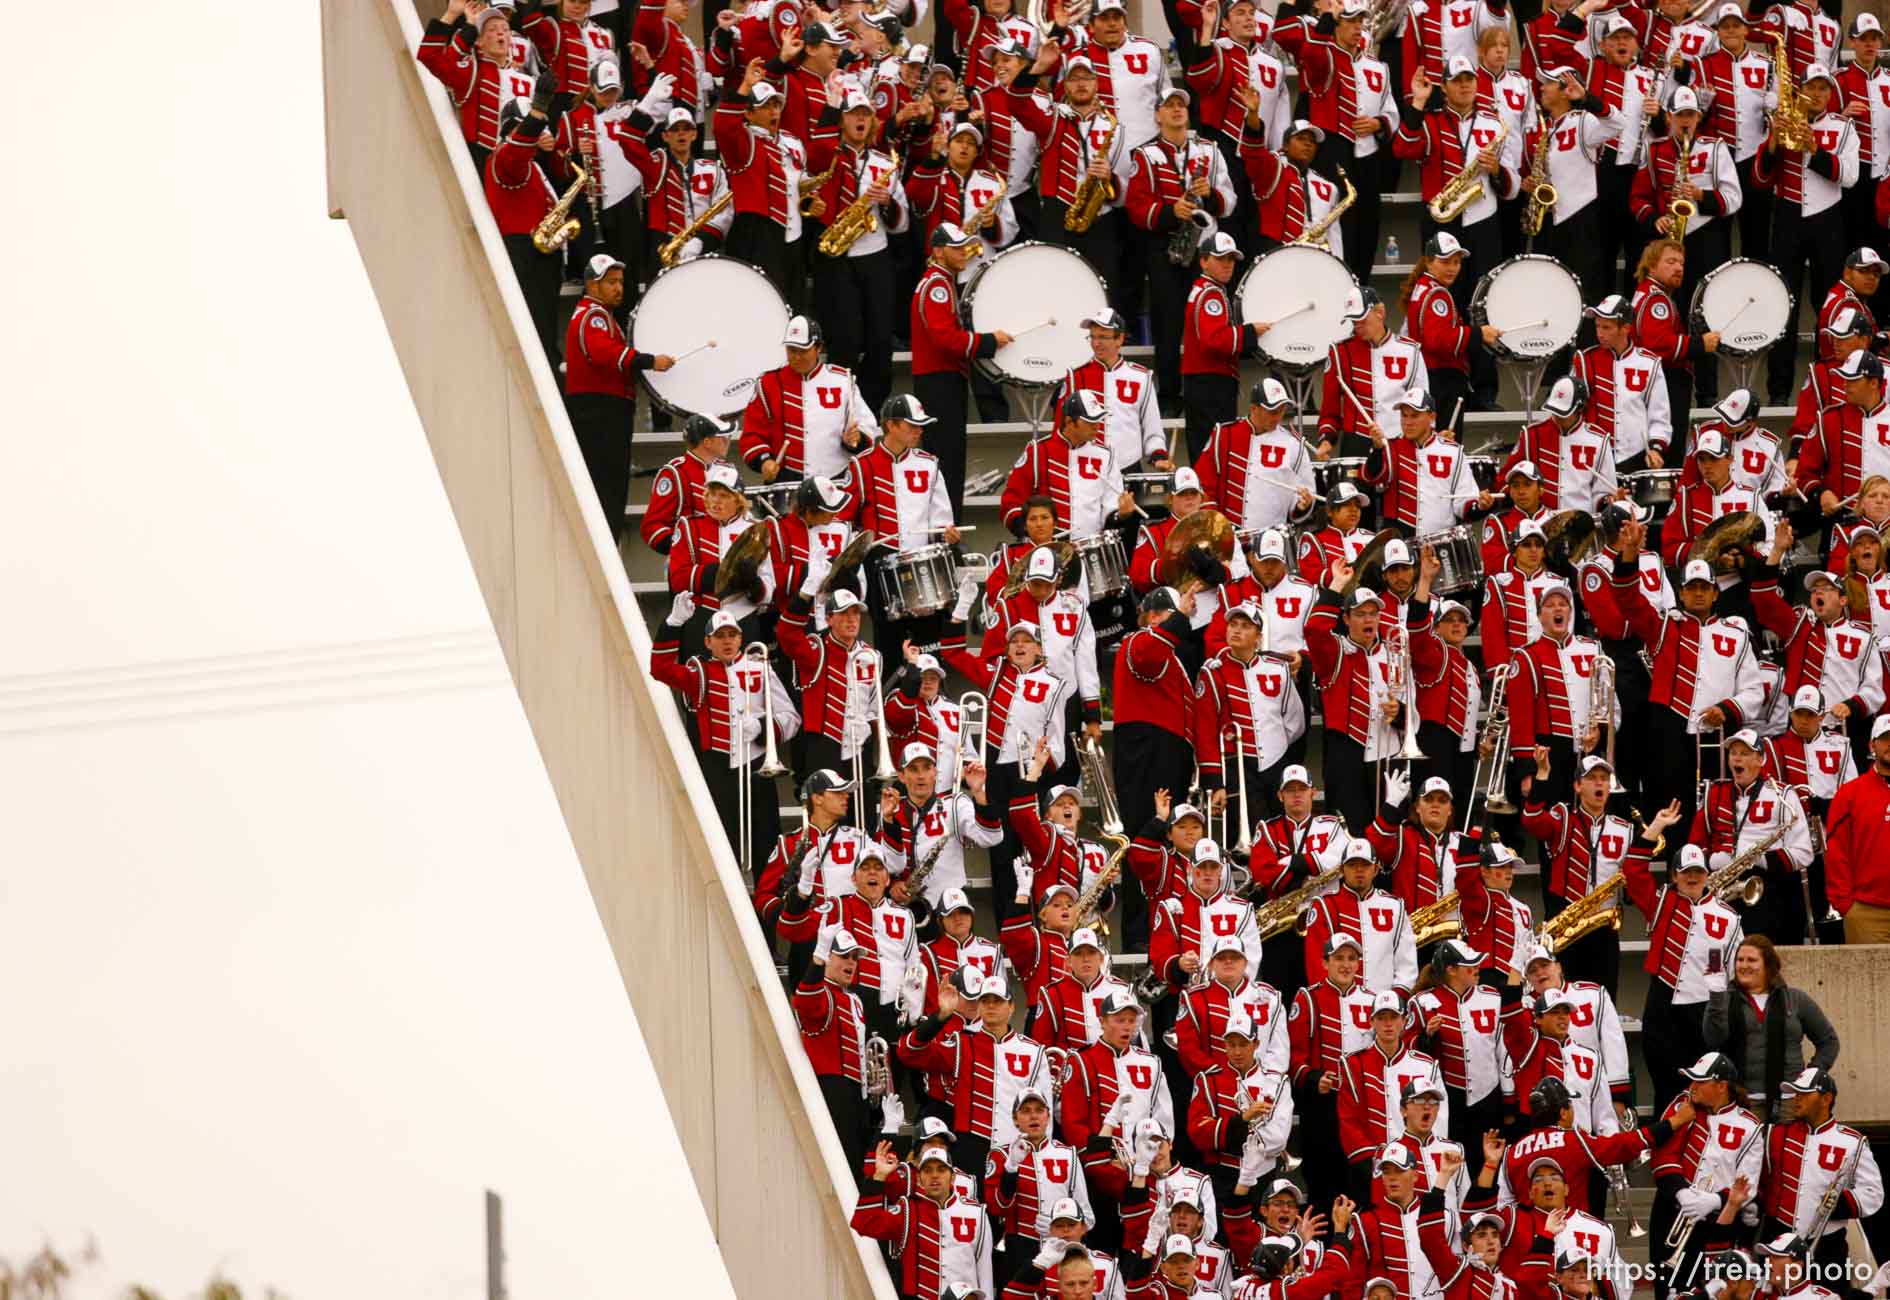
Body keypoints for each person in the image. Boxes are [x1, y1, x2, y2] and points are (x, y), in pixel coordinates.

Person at [652, 596, 800, 872]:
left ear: (741, 638)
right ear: (708, 642)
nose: (727, 641)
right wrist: (673, 624)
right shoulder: (700, 673)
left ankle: (764, 910)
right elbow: (659, 669)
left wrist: (763, 727)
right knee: (722, 847)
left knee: (766, 845)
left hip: (757, 766)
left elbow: (791, 718)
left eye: (732, 634)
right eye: (720, 636)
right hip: (718, 769)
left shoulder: (761, 667)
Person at [1756, 62, 1856, 404]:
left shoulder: (1842, 128)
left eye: (1823, 88)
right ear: (1800, 91)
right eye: (1811, 87)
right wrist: (1773, 142)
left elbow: (1849, 176)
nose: (1817, 94)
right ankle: (1779, 391)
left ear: (1831, 93)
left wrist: (1814, 148)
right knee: (1784, 304)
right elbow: (1760, 178)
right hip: (1787, 215)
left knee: (1827, 306)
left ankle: (1826, 388)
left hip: (1827, 218)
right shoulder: (1782, 120)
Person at [563, 253, 674, 535]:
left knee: (608, 488)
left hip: (603, 411)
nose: (618, 288)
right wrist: (650, 361)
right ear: (591, 285)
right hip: (599, 413)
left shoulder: (599, 315)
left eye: (620, 282)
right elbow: (604, 353)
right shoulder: (594, 316)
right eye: (610, 282)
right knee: (607, 489)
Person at [910, 223, 1014, 511]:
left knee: (946, 460)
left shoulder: (940, 282)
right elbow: (944, 338)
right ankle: (947, 530)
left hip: (940, 380)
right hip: (939, 381)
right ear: (939, 251)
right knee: (946, 461)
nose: (964, 252)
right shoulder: (937, 286)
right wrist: (990, 342)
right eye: (956, 247)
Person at [1648, 1052, 1764, 1298]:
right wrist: (1682, 1193)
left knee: (1712, 1289)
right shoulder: (1682, 1106)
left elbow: (1748, 1182)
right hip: (1672, 1211)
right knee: (1667, 1288)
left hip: (1718, 1219)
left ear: (1722, 1086)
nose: (1692, 1087)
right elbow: (1663, 1155)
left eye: (1700, 1081)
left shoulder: (1749, 1125)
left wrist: (1713, 1200)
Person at [1687, 729, 1818, 944]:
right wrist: (1710, 860)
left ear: (1761, 759)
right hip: (1720, 887)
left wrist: (1761, 858)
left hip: (1766, 886)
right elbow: (1695, 843)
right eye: (1733, 753)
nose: (1737, 758)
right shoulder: (1714, 792)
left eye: (1745, 753)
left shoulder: (1782, 794)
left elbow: (1804, 853)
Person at [1759, 1067, 1886, 1277]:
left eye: (1804, 1094)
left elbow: (1873, 1193)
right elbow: (1761, 1184)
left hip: (1827, 1244)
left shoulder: (1852, 1141)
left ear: (1826, 1099)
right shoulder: (1776, 1134)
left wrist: (1840, 1203)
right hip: (1777, 1239)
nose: (1796, 1099)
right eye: (1795, 1093)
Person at [1702, 936, 1841, 1119]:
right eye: (1739, 960)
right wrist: (1716, 997)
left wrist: (1811, 1075)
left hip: (1789, 1103)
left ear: (1768, 965)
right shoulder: (1724, 1000)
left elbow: (1828, 1041)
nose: (1744, 966)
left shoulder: (1796, 999)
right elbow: (1713, 1040)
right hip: (1741, 1101)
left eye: (1751, 960)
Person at [1287, 932, 1379, 1210]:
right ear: (1325, 962)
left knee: (1361, 1180)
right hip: (1323, 1106)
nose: (1346, 964)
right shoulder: (1308, 998)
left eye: (1352, 958)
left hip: (1363, 1106)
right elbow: (1294, 1056)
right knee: (1322, 1182)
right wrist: (1314, 1078)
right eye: (1339, 958)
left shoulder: (1372, 1000)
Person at [739, 314, 881, 487]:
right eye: (791, 350)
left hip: (836, 481)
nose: (796, 357)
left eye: (803, 350)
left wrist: (854, 440)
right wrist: (764, 462)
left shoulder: (843, 380)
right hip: (786, 482)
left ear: (818, 347)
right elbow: (752, 434)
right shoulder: (768, 384)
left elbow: (867, 428)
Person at [1526, 67, 1624, 308]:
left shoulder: (1583, 121)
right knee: (1550, 290)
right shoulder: (1546, 127)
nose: (1541, 88)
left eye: (1548, 84)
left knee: (1584, 290)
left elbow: (1617, 124)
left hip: (1580, 218)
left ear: (1564, 92)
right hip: (1550, 219)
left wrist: (1585, 98)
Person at [1339, 990, 1450, 1198]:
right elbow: (1349, 1120)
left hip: (1419, 1164)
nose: (1388, 1024)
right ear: (1372, 1022)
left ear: (1405, 1021)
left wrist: (1429, 1154)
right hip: (1376, 1168)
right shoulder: (1354, 1064)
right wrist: (1376, 1160)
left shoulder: (1425, 1065)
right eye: (1381, 1018)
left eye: (1394, 1017)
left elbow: (1440, 1116)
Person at [854, 1138, 998, 1295]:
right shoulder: (907, 1210)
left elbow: (985, 1273)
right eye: (927, 1170)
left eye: (941, 1169)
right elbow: (865, 1223)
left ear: (953, 1177)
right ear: (920, 1179)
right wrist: (880, 1175)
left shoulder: (976, 1213)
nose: (934, 1176)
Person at [795, 924, 876, 1184]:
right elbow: (806, 1004)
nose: (851, 962)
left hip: (856, 1091)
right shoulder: (822, 993)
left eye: (854, 957)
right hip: (832, 1086)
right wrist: (817, 959)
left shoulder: (853, 999)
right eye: (844, 956)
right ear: (827, 957)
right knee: (841, 1164)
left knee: (856, 1163)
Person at [419, 0, 542, 167]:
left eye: (505, 30)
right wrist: (452, 15)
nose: (500, 34)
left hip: (518, 163)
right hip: (482, 159)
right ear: (479, 41)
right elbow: (430, 56)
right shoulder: (472, 72)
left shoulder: (527, 81)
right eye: (492, 30)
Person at [1052, 308, 1170, 477]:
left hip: (1129, 468)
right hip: (1086, 469)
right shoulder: (1075, 376)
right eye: (1092, 337)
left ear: (1119, 339)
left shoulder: (1141, 376)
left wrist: (1158, 456)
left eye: (1102, 337)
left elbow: (1153, 429)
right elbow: (1060, 428)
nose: (1096, 343)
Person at [713, 65, 799, 296]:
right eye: (766, 106)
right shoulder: (746, 140)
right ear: (749, 113)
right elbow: (722, 127)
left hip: (780, 231)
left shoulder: (779, 145)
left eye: (777, 105)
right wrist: (744, 87)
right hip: (754, 230)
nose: (774, 112)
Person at [1178, 230, 1262, 459]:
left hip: (1205, 381)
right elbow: (1213, 340)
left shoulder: (1206, 290)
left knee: (1209, 449)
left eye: (1231, 259)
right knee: (1213, 451)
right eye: (1220, 258)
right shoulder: (1211, 294)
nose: (1228, 265)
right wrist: (1250, 332)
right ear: (1203, 261)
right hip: (1210, 383)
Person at [1319, 287, 1430, 459]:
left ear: (1380, 312)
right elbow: (1329, 411)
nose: (1358, 326)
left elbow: (1423, 403)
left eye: (1362, 320)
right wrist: (1326, 441)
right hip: (1356, 443)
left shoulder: (1411, 350)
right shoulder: (1339, 352)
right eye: (1354, 322)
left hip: (1401, 442)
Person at [1569, 295, 1673, 475]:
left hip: (1637, 459)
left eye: (1606, 327)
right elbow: (1572, 412)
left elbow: (1660, 415)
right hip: (1594, 459)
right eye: (1597, 326)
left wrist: (1656, 447)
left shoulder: (1649, 363)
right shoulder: (1584, 361)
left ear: (1625, 328)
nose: (1600, 333)